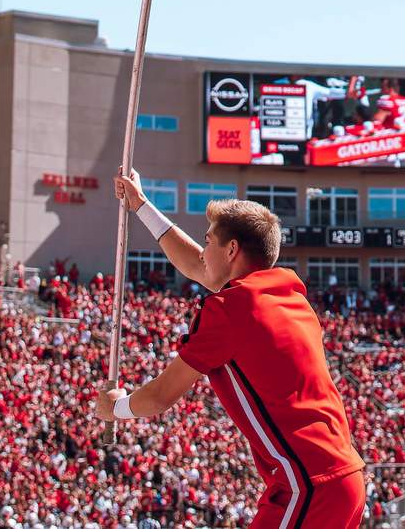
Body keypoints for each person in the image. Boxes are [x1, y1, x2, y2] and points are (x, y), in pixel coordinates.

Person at [96, 167, 367, 529]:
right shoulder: (290, 298)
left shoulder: (229, 310)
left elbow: (161, 396)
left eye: (208, 240)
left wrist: (116, 408)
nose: (203, 248)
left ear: (232, 249)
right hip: (341, 478)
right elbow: (200, 266)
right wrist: (141, 205)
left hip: (308, 484)